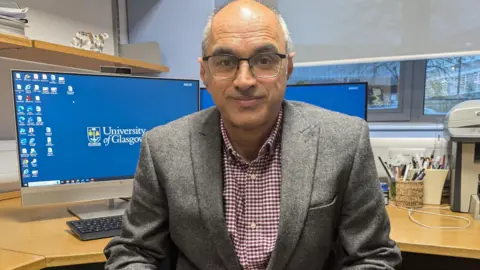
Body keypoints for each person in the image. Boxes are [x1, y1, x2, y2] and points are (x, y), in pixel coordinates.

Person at [104, 1, 402, 269]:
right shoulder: (163, 148)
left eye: (264, 60)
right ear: (204, 73)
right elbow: (134, 252)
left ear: (288, 67)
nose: (244, 81)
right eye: (225, 62)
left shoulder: (345, 141)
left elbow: (372, 256)